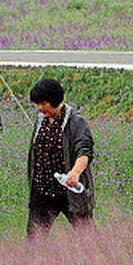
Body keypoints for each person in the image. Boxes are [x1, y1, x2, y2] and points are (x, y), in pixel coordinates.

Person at [26, 77, 94, 236]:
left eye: (44, 104)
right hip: (42, 190)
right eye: (37, 104)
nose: (40, 108)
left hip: (69, 190)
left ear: (55, 100)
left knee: (89, 237)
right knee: (34, 239)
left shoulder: (76, 122)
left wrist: (75, 173)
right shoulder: (40, 121)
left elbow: (85, 151)